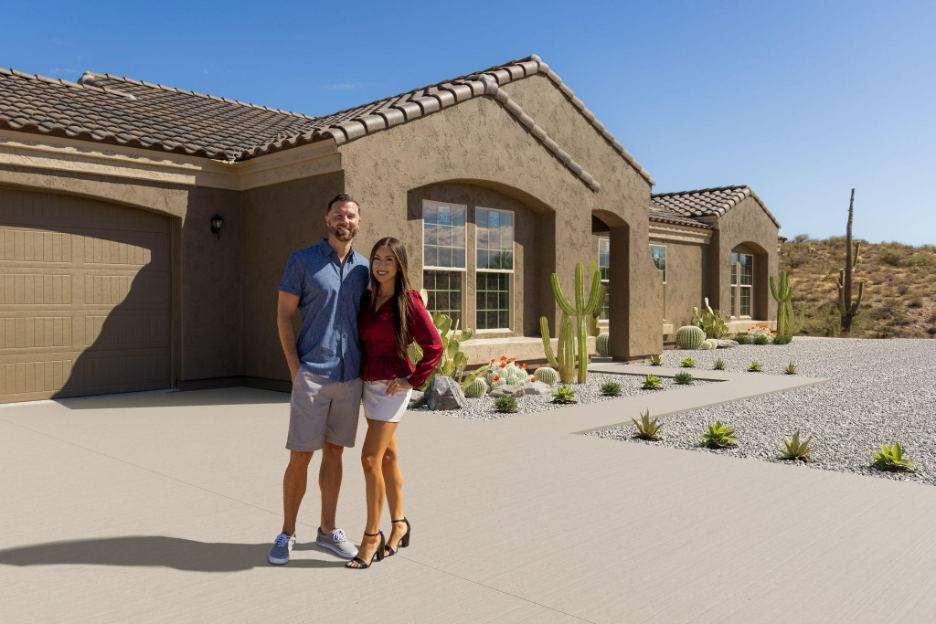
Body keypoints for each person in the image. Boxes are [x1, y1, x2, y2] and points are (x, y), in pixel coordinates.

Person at [268, 194, 370, 565]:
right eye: (340, 214)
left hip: (349, 377)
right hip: (312, 373)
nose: (346, 220)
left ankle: (327, 531)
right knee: (300, 456)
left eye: (352, 215)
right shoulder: (303, 261)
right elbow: (283, 316)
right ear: (327, 219)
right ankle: (287, 533)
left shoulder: (365, 269)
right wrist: (295, 368)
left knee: (335, 453)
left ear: (359, 222)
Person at [345, 237, 443, 569]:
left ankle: (372, 536)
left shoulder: (409, 301)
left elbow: (435, 346)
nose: (381, 265)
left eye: (389, 259)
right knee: (387, 456)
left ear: (400, 264)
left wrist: (413, 380)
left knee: (369, 459)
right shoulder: (368, 298)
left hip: (392, 388)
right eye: (376, 258)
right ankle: (399, 524)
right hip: (368, 383)